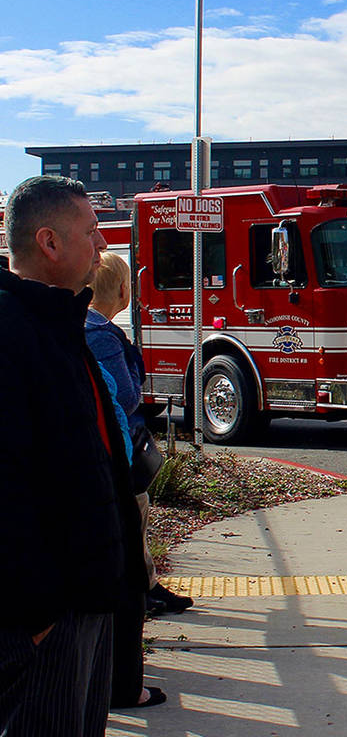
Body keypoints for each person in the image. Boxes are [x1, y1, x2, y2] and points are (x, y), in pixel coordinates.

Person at [0, 175, 145, 736]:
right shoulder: (12, 334)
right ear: (49, 243)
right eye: (91, 233)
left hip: (87, 601)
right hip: (46, 616)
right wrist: (35, 618)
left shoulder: (62, 328)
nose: (103, 247)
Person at [85, 253, 186, 710]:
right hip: (120, 469)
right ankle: (126, 676)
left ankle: (149, 588)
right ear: (123, 293)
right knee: (130, 543)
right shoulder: (102, 336)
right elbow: (123, 395)